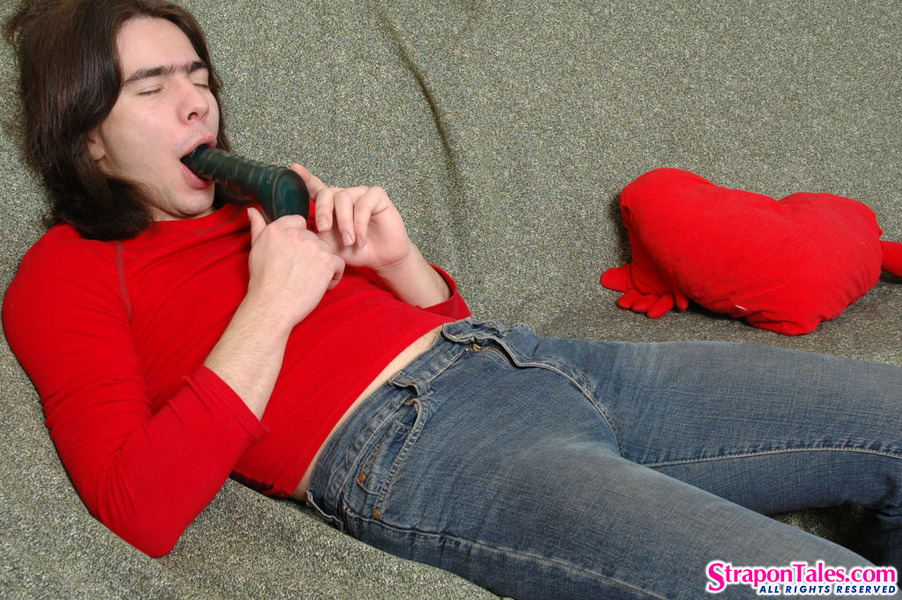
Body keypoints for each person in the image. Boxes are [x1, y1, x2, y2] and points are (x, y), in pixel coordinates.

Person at [2, 1, 899, 598]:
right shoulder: (66, 271)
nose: (196, 105)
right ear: (87, 139)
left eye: (198, 77)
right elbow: (138, 506)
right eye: (153, 87)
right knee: (830, 587)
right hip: (421, 452)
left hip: (534, 361)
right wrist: (270, 305)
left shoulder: (261, 207)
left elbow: (439, 329)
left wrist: (400, 264)